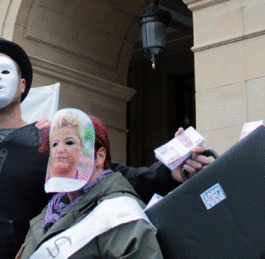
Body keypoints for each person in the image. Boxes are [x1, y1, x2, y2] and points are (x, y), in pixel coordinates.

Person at [0, 37, 208, 259]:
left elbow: (105, 176)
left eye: (5, 71)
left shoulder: (47, 144)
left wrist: (167, 173)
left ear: (22, 86)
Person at [17, 109, 163, 259]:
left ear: (99, 156)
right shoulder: (45, 217)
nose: (59, 150)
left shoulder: (121, 213)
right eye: (54, 144)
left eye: (69, 142)